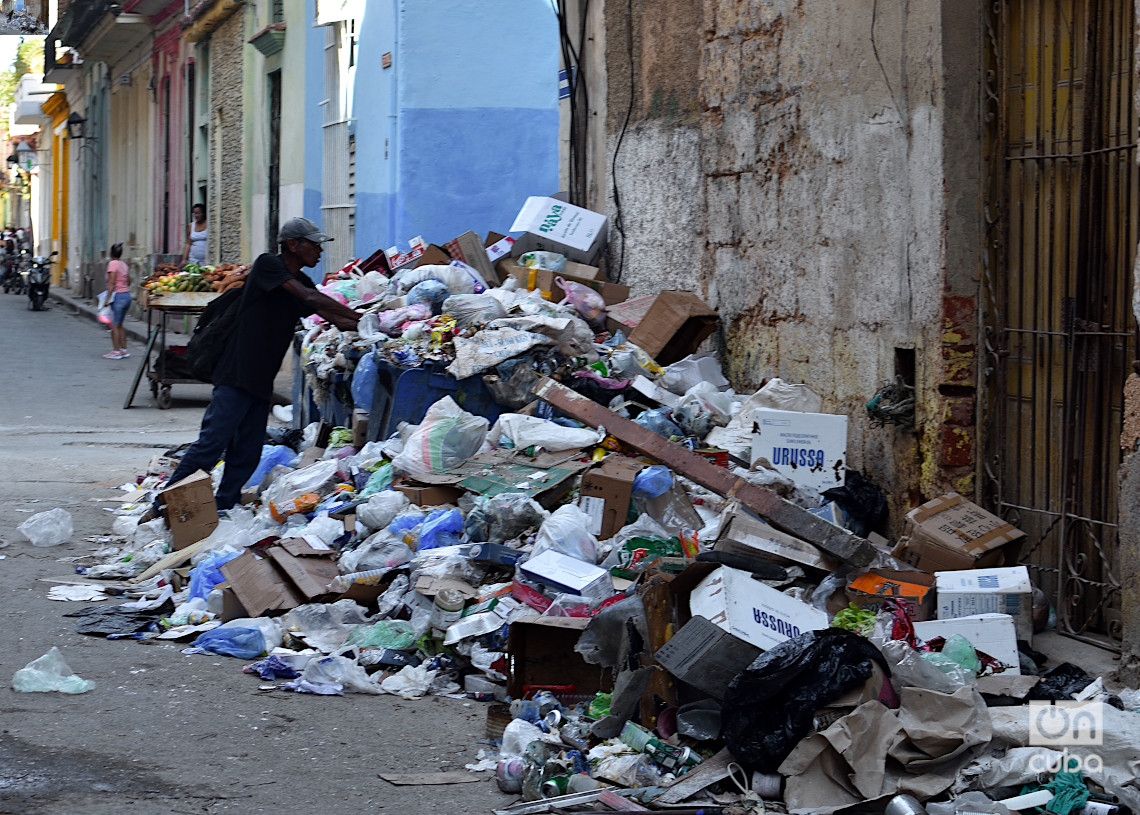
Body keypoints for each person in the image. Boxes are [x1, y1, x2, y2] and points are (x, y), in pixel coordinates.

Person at [160, 217, 359, 512]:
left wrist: (372, 325)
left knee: (247, 452)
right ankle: (163, 504)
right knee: (211, 444)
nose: (319, 250)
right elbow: (309, 297)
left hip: (260, 380)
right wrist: (360, 317)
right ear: (293, 244)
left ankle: (224, 506)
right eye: (314, 244)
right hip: (236, 373)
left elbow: (331, 315)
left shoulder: (301, 282)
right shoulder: (269, 265)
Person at [104, 243, 132, 359]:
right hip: (127, 296)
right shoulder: (124, 265)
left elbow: (111, 282)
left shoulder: (112, 264)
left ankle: (116, 351)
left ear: (111, 253)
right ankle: (124, 349)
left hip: (118, 296)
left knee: (114, 325)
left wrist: (107, 298)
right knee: (120, 324)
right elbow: (129, 281)